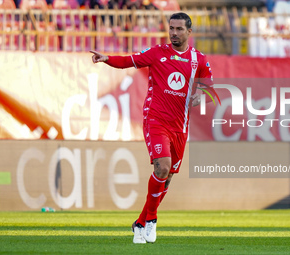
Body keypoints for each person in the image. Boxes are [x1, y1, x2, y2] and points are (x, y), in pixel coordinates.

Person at [90, 12, 213, 244]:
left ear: (189, 32)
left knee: (166, 178)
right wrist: (107, 58)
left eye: (178, 29)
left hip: (180, 126)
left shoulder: (199, 59)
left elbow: (207, 81)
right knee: (162, 166)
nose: (174, 33)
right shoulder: (158, 53)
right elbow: (129, 60)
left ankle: (140, 222)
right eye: (171, 28)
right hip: (156, 120)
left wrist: (200, 95)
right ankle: (153, 219)